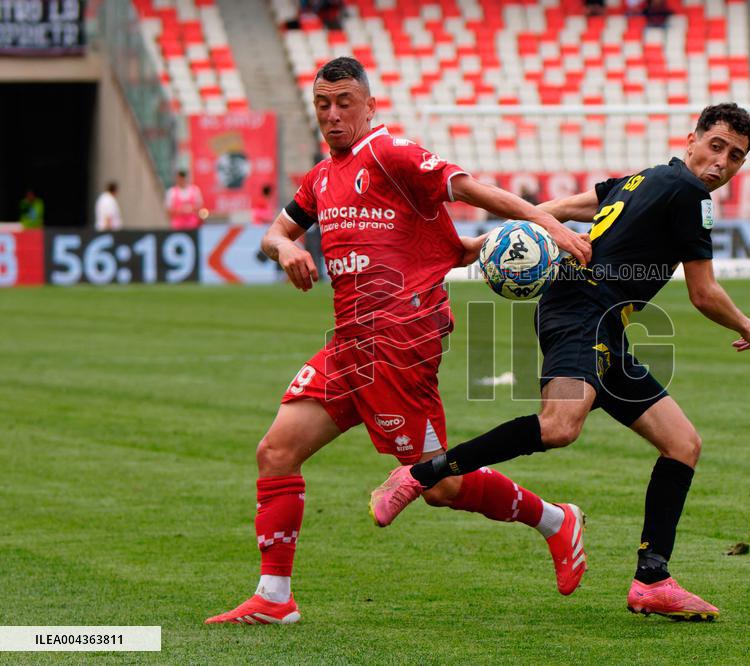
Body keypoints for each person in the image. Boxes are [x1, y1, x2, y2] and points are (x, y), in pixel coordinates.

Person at [205, 57, 593, 625]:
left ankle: (557, 521)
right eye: (322, 105)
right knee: (276, 451)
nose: (333, 116)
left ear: (369, 105)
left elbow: (470, 188)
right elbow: (276, 231)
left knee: (439, 482)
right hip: (349, 344)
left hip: (401, 341)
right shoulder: (319, 177)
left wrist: (548, 224)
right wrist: (284, 248)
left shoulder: (391, 154)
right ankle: (273, 597)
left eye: (344, 103)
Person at [372, 103, 750, 621]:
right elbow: (703, 292)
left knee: (682, 444)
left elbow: (562, 206)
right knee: (560, 426)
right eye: (716, 146)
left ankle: (653, 579)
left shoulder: (642, 179)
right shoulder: (691, 195)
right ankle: (421, 474)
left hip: (600, 319)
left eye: (735, 157)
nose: (721, 163)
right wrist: (745, 324)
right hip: (585, 310)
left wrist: (504, 240)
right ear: (691, 139)